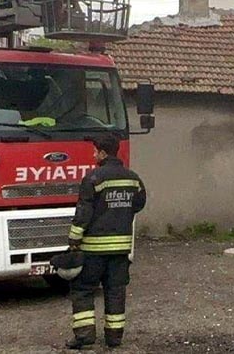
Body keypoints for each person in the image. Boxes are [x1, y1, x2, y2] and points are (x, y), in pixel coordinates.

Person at [65, 132, 146, 349]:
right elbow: (139, 203)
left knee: (83, 290)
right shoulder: (133, 178)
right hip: (121, 249)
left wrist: (74, 239)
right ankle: (114, 338)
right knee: (115, 291)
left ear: (102, 153)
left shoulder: (93, 178)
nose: (93, 155)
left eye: (95, 151)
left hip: (93, 250)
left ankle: (84, 336)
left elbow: (84, 212)